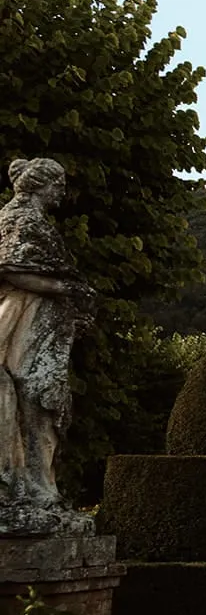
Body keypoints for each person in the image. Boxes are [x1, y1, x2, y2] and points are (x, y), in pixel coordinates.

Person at [0, 157, 96, 527]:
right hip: (24, 322)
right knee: (38, 396)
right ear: (41, 185)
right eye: (57, 185)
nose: (62, 192)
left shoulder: (33, 220)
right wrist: (67, 288)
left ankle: (42, 488)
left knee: (44, 401)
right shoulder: (21, 219)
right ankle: (32, 489)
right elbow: (12, 268)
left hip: (42, 325)